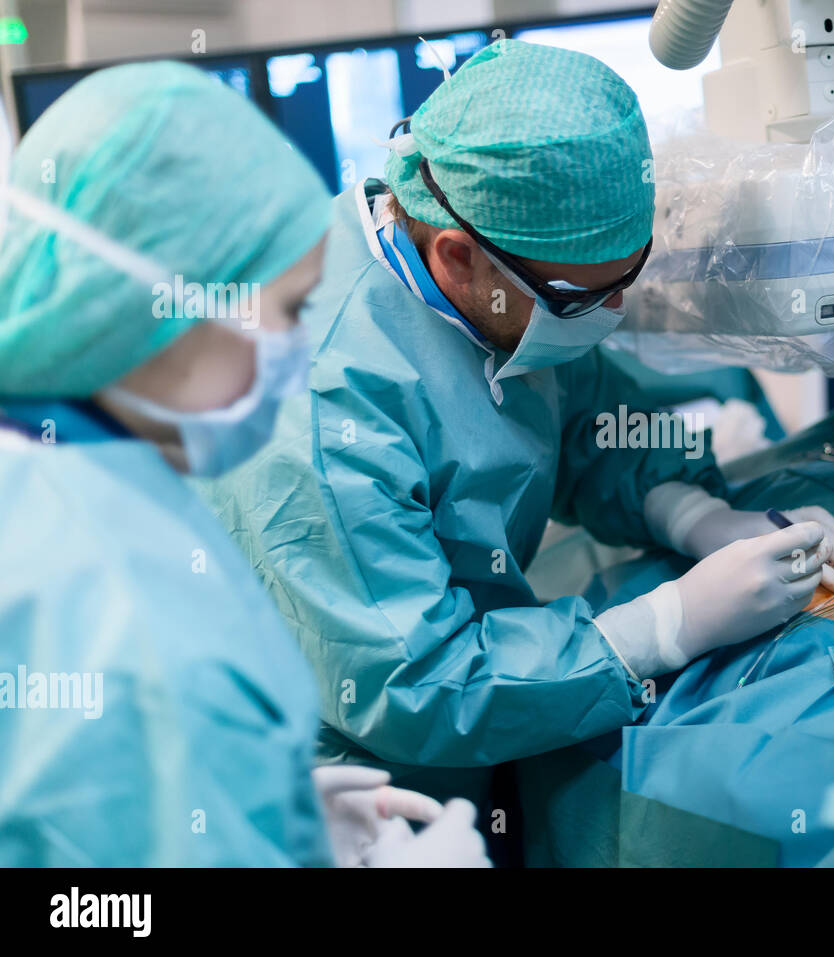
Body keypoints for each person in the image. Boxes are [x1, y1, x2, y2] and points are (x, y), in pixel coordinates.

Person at [199, 39, 834, 787]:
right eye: (581, 298)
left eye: (628, 278)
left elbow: (582, 415)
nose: (612, 313)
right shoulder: (323, 404)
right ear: (455, 256)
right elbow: (421, 687)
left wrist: (693, 512)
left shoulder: (499, 267)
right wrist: (667, 625)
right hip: (348, 776)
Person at [0, 62, 488, 867]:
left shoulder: (63, 461)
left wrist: (265, 805)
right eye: (292, 309)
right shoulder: (117, 609)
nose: (302, 349)